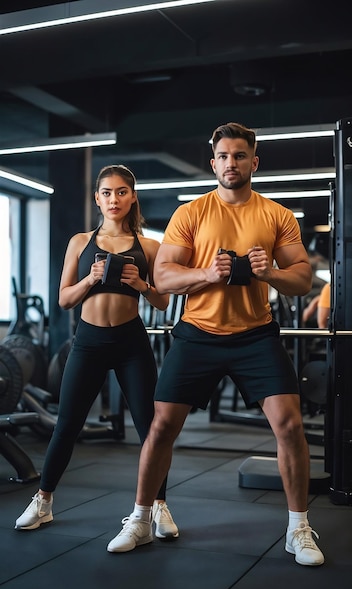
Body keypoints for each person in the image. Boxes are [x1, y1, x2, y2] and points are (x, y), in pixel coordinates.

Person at [107, 123, 325, 566]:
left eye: (240, 156)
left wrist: (270, 275)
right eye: (224, 156)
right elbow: (164, 277)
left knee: (289, 425)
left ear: (254, 162)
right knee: (162, 426)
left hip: (255, 334)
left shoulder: (276, 215)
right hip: (197, 334)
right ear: (214, 163)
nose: (231, 163)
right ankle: (141, 518)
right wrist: (206, 274)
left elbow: (302, 279)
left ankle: (298, 527)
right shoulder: (191, 213)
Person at [15, 164, 179, 541]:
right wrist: (90, 278)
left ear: (132, 196)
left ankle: (159, 505)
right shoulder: (80, 242)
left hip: (130, 343)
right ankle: (43, 500)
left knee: (151, 429)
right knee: (67, 424)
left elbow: (162, 301)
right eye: (106, 192)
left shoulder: (149, 246)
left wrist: (141, 283)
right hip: (87, 342)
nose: (114, 199)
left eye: (121, 192)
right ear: (97, 199)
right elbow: (63, 300)